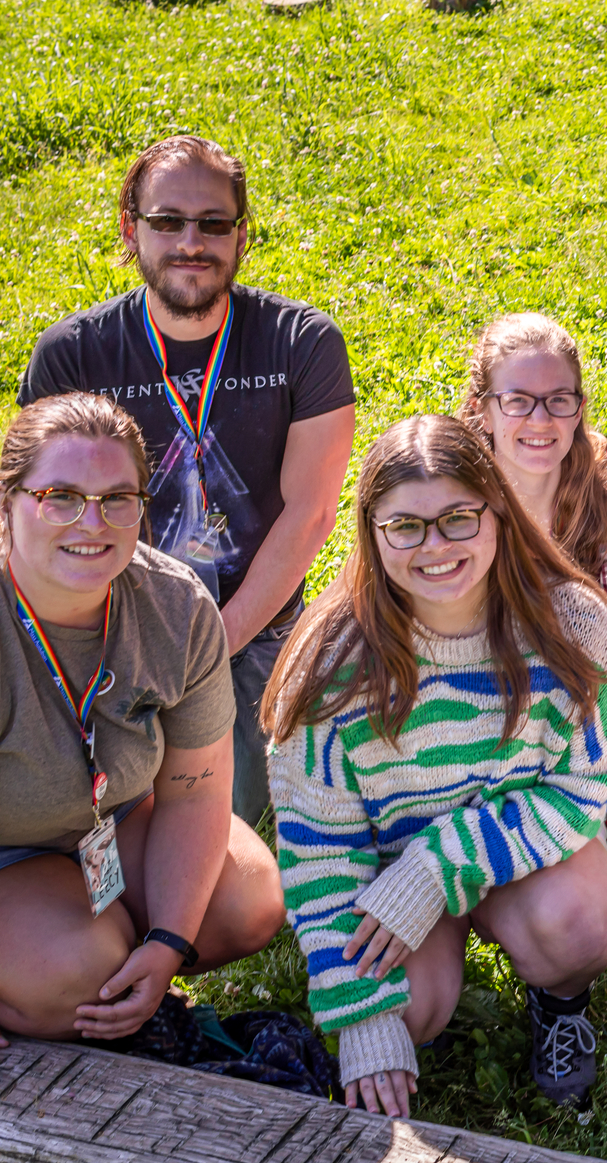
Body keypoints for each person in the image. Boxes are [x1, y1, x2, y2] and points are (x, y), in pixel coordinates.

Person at [266, 415, 607, 1115]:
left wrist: (440, 865)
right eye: (405, 527)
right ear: (371, 534)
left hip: (513, 851)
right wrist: (362, 1016)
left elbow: (587, 784)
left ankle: (558, 1004)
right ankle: (425, 978)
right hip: (384, 872)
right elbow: (320, 851)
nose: (435, 547)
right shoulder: (331, 667)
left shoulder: (571, 626)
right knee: (410, 1014)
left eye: (459, 519)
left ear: (498, 513)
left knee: (575, 928)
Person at [18, 135, 356, 830]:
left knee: (232, 816)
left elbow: (313, 514)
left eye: (213, 223)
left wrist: (207, 649)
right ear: (130, 227)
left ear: (241, 233)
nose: (191, 242)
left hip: (256, 625)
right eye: (167, 221)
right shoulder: (73, 352)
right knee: (89, 809)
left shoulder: (303, 342)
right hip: (112, 624)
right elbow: (36, 510)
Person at [0, 393, 284, 1049]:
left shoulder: (176, 606)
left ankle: (112, 943)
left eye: (117, 499)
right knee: (79, 974)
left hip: (113, 820)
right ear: (10, 502)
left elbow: (197, 789)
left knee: (245, 901)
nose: (91, 523)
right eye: (60, 496)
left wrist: (168, 941)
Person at [460, 312, 607, 876]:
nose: (540, 419)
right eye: (517, 401)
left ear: (580, 407)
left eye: (559, 400)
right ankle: (479, 835)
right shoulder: (447, 493)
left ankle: (596, 813)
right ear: (483, 409)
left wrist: (563, 689)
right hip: (471, 699)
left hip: (585, 693)